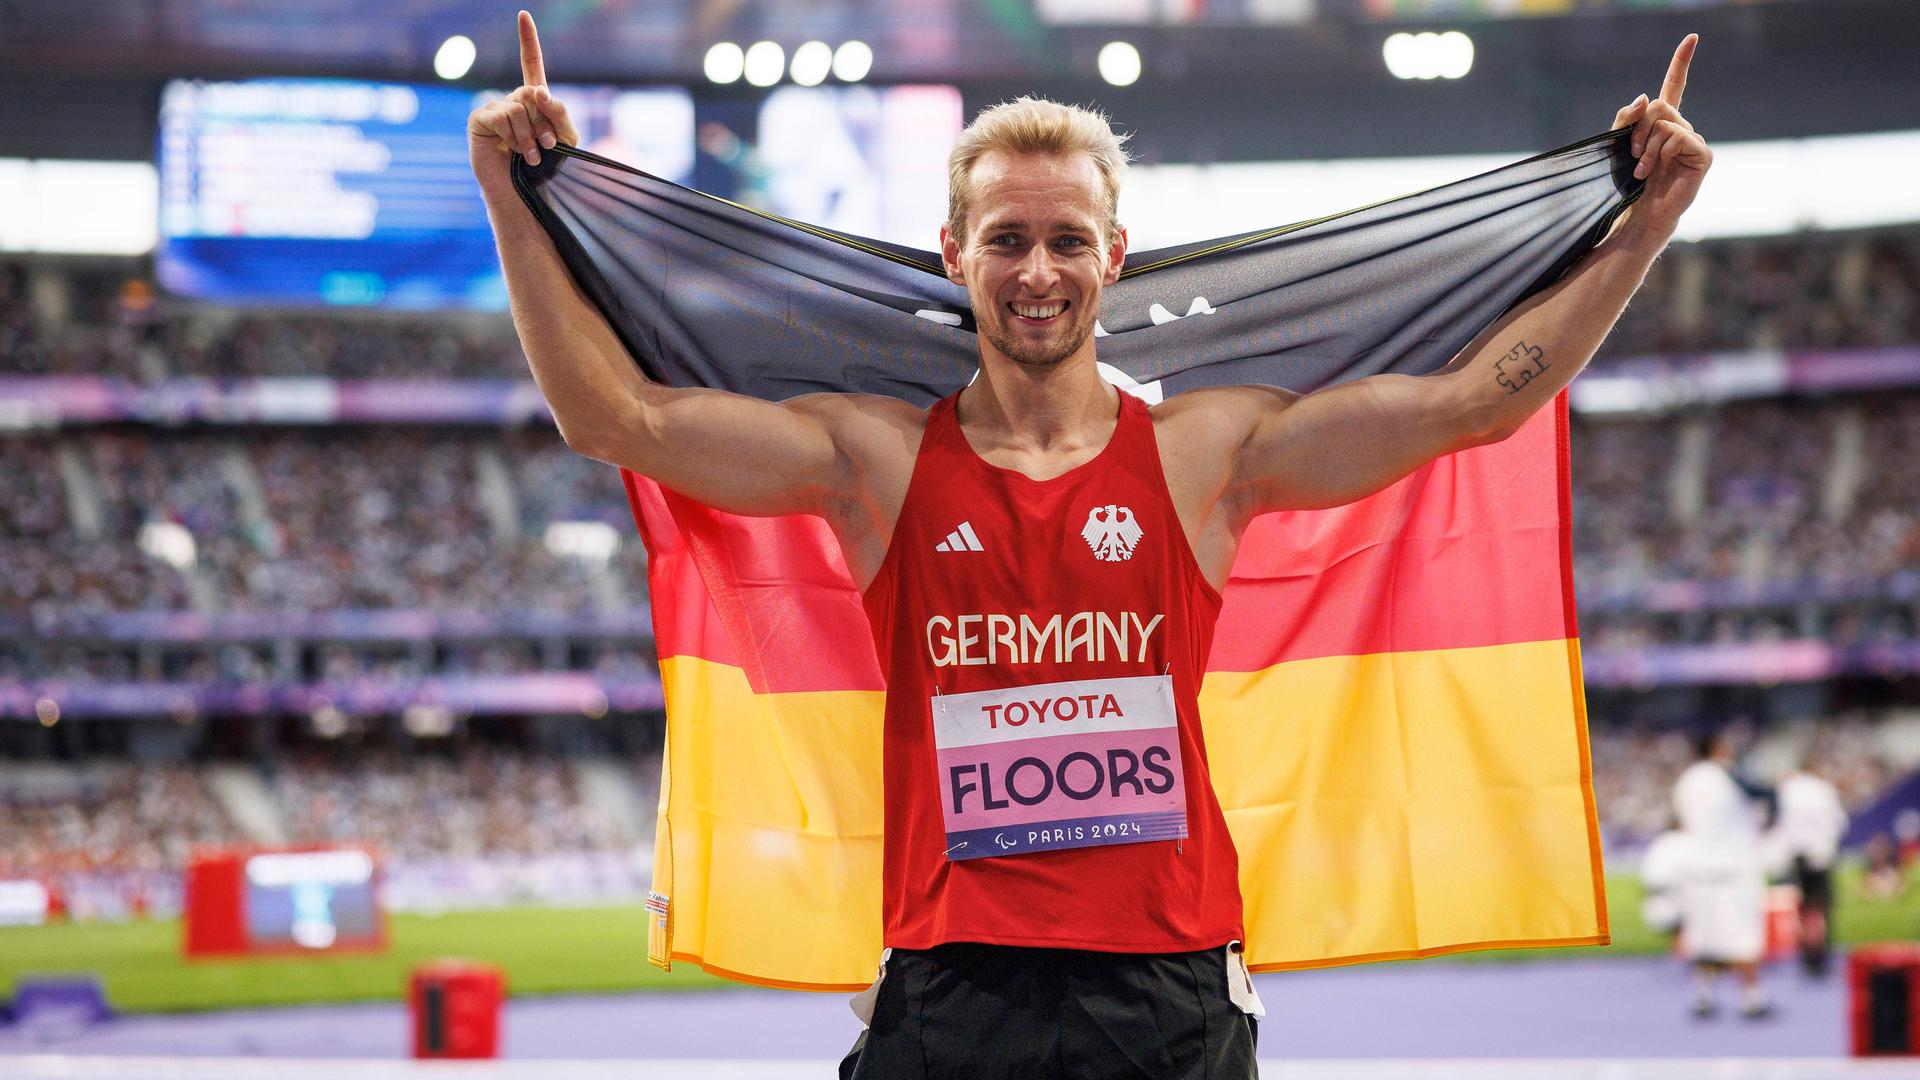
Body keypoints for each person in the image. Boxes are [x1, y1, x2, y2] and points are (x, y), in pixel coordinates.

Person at [468, 11, 1712, 1076]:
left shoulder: (1202, 455)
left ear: (1114, 259)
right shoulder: (878, 463)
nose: (1038, 271)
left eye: (1068, 240)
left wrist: (1644, 222)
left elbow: (1475, 403)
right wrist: (511, 198)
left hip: (1165, 995)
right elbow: (611, 419)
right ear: (955, 257)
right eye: (1006, 238)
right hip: (951, 988)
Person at [1672, 727, 1773, 1020]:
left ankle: (1703, 996)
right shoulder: (1728, 774)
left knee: (1704, 937)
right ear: (1717, 747)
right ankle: (1752, 997)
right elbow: (1766, 794)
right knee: (1744, 938)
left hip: (1699, 870)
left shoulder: (1686, 781)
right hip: (1735, 868)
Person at [1772, 763, 1848, 976]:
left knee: (1804, 910)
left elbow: (1780, 825)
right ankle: (1819, 955)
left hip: (1798, 856)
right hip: (1821, 855)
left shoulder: (1787, 790)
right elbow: (1838, 822)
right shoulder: (1823, 789)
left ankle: (1808, 955)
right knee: (1820, 908)